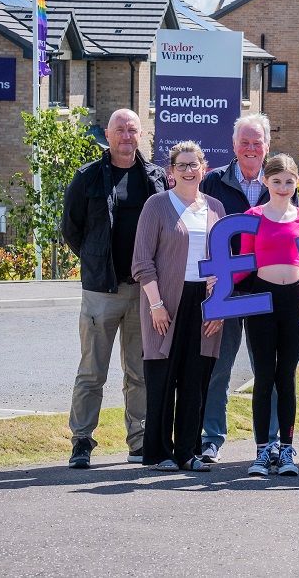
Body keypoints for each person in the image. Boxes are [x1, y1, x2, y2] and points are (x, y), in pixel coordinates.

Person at [62, 108, 169, 469]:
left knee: (139, 371)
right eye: (120, 130)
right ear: (107, 135)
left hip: (144, 292)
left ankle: (138, 442)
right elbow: (72, 230)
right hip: (101, 291)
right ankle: (81, 441)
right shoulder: (87, 177)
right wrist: (97, 261)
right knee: (92, 371)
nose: (126, 136)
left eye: (132, 130)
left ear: (141, 135)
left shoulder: (155, 178)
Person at [131, 142, 226, 472]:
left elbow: (222, 263)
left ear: (204, 167)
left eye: (194, 164)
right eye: (181, 165)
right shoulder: (156, 206)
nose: (188, 170)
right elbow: (142, 261)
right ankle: (159, 453)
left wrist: (217, 307)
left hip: (204, 304)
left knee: (195, 380)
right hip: (165, 302)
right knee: (162, 377)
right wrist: (156, 305)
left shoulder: (215, 208)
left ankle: (188, 452)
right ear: (170, 172)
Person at [198, 113, 286, 463]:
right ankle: (211, 437)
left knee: (269, 367)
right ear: (235, 146)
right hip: (228, 290)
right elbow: (200, 234)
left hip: (268, 289)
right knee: (218, 364)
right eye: (245, 142)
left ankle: (271, 439)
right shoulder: (212, 183)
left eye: (257, 142)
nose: (251, 148)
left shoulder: (279, 182)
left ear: (267, 146)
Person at [238, 154, 299, 477]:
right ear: (265, 182)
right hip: (261, 301)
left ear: (297, 182)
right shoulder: (252, 216)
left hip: (295, 299)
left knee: (287, 377)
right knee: (264, 376)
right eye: (276, 181)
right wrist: (220, 283)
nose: (283, 187)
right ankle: (261, 452)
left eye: (289, 181)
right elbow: (243, 262)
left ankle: (286, 450)